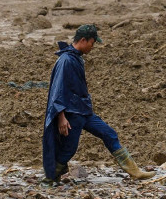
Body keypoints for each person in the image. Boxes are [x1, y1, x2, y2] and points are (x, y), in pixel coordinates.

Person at [42, 24, 155, 183]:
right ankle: (50, 178)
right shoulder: (66, 60)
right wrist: (61, 117)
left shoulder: (76, 58)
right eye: (92, 43)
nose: (92, 47)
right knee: (68, 150)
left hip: (84, 111)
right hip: (72, 113)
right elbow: (57, 90)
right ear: (83, 40)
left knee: (109, 133)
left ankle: (135, 171)